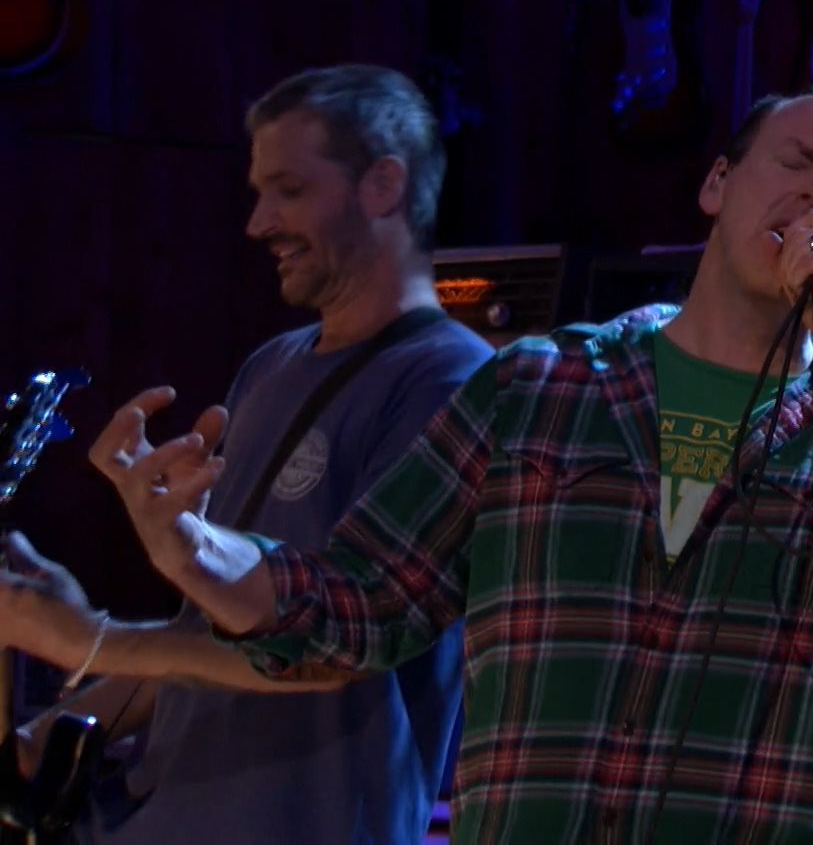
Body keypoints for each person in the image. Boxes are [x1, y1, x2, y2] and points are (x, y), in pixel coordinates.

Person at [67, 88, 813, 843]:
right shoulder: (537, 385)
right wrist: (192, 553)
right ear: (718, 184)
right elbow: (358, 602)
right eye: (795, 162)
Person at [1, 64, 493, 843]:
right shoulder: (272, 365)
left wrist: (84, 636)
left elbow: (332, 649)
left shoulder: (452, 381)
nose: (258, 223)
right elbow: (209, 636)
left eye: (289, 190)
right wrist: (48, 733)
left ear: (383, 186)